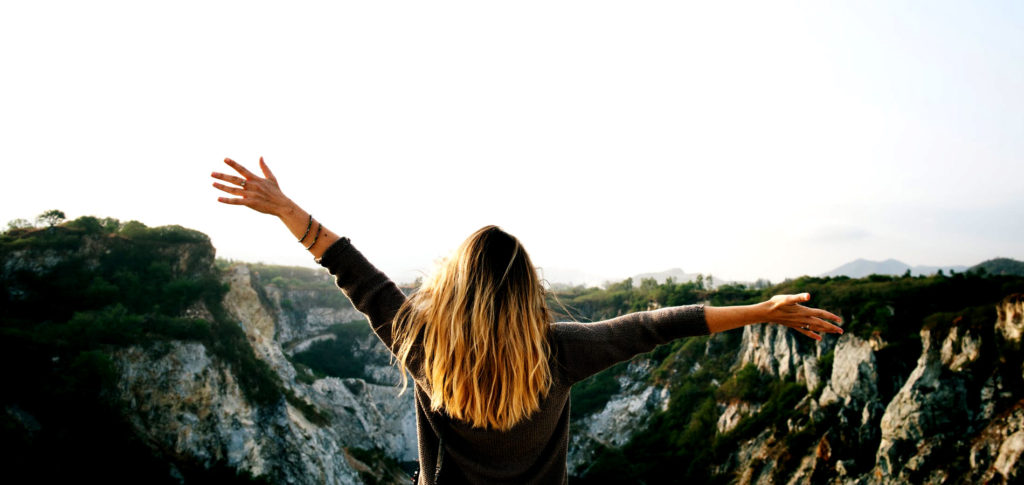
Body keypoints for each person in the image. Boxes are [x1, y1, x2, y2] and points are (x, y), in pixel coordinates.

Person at [211, 157, 844, 485]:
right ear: (528, 291)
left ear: (453, 290)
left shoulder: (424, 346)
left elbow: (353, 273)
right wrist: (764, 311)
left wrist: (288, 210)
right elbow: (659, 324)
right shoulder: (560, 352)